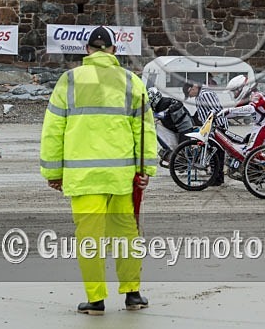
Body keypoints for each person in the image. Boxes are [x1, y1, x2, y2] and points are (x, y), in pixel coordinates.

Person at [40, 26, 156, 316]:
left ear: (88, 50)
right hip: (122, 178)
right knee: (127, 236)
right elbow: (144, 130)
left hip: (84, 179)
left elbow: (53, 130)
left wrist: (53, 172)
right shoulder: (131, 82)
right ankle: (133, 294)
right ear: (114, 51)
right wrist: (145, 170)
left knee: (90, 239)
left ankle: (96, 300)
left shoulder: (69, 81)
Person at [182, 81, 228, 184]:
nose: (189, 96)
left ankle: (217, 178)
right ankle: (216, 177)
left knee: (217, 153)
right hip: (209, 129)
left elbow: (216, 110)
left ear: (193, 87)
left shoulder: (205, 94)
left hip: (217, 127)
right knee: (214, 153)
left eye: (189, 93)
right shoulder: (198, 96)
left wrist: (209, 122)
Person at [218, 75, 265, 152]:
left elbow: (250, 109)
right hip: (258, 125)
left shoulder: (256, 95)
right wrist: (218, 114)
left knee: (252, 151)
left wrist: (228, 111)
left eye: (235, 91)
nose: (234, 94)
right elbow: (236, 111)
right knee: (243, 145)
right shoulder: (247, 98)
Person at [148, 86, 194, 166]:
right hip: (176, 128)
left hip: (184, 127)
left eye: (150, 101)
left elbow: (178, 104)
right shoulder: (158, 107)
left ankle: (186, 164)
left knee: (183, 150)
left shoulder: (165, 102)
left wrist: (170, 109)